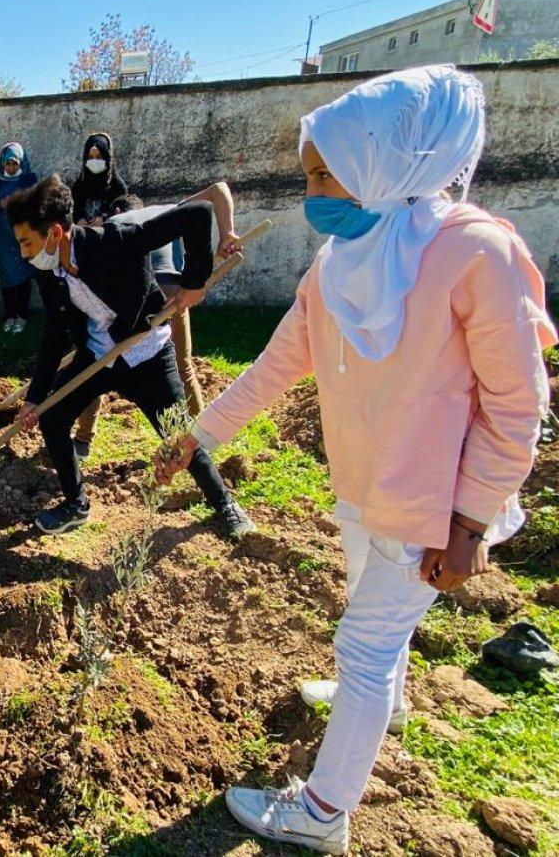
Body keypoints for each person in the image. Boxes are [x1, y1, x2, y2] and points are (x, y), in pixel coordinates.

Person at [155, 66, 554, 855]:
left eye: (324, 172)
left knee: (362, 644)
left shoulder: (475, 253)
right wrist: (199, 435)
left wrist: (471, 523)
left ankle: (323, 812)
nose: (312, 193)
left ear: (385, 160)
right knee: (373, 643)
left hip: (432, 505)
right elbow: (274, 368)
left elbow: (517, 407)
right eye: (308, 174)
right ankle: (385, 705)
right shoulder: (338, 264)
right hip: (363, 485)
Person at [6, 174, 254, 538]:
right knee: (52, 418)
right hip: (99, 356)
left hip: (145, 351)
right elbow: (56, 335)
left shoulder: (113, 241)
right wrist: (34, 397)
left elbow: (198, 214)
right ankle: (76, 505)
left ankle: (225, 505)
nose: (25, 253)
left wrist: (194, 281)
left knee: (176, 433)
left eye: (27, 243)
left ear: (55, 233)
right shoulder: (50, 272)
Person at [71, 186, 232, 458]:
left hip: (133, 308)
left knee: (97, 365)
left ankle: (83, 440)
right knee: (184, 368)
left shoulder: (113, 224)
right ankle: (202, 442)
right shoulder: (164, 212)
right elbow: (218, 190)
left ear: (117, 211)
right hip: (174, 298)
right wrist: (227, 233)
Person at [0, 142, 38, 333]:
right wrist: (0, 204)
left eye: (15, 164)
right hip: (1, 236)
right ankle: (9, 316)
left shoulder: (29, 179)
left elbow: (36, 204)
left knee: (23, 274)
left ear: (21, 162)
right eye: (8, 164)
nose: (11, 168)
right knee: (6, 275)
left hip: (22, 235)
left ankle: (22, 316)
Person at [70, 132, 127, 228]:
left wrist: (105, 218)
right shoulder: (79, 186)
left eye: (99, 157)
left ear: (107, 157)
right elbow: (72, 210)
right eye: (90, 157)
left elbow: (122, 214)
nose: (94, 161)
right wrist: (79, 219)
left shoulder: (117, 187)